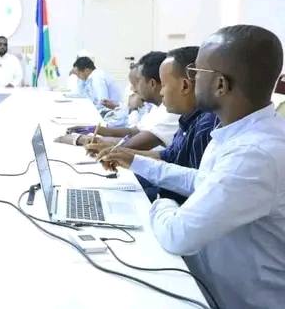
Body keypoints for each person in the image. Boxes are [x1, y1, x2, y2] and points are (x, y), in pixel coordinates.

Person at [100, 25, 285, 309]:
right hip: (206, 283)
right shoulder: (238, 131)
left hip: (232, 300)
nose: (191, 79)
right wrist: (135, 161)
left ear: (221, 85)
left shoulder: (254, 154)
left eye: (197, 71)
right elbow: (202, 181)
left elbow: (177, 234)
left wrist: (158, 202)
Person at [90, 46, 219, 203]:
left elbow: (195, 189)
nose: (161, 92)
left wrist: (125, 156)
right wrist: (125, 156)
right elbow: (168, 156)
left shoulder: (206, 126)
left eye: (163, 85)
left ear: (185, 86)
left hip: (175, 204)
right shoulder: (188, 118)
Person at [57, 51, 180, 151]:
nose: (133, 89)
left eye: (138, 82)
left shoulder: (171, 111)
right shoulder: (158, 108)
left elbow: (130, 144)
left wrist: (80, 139)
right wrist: (93, 129)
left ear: (152, 83)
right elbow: (133, 131)